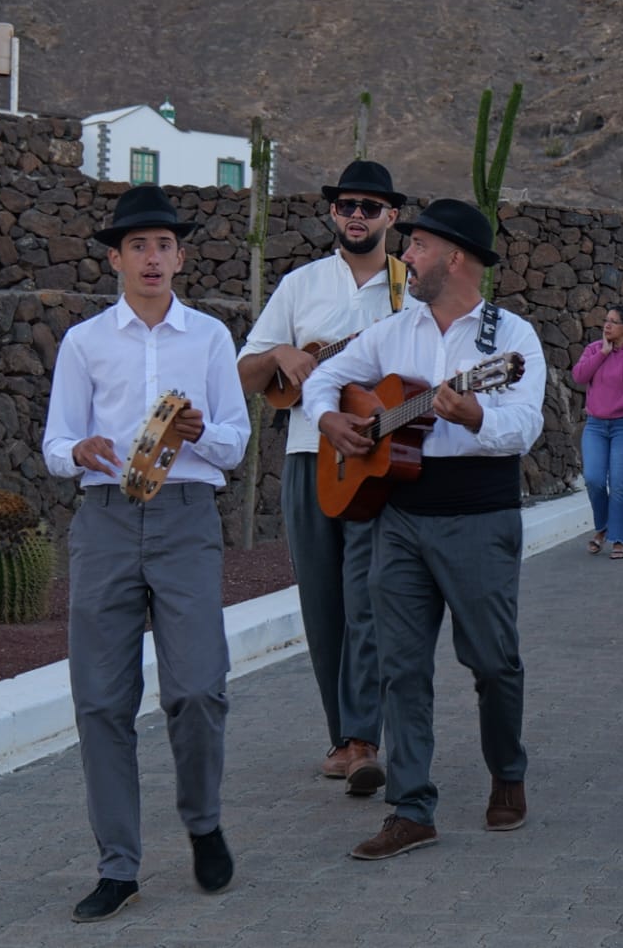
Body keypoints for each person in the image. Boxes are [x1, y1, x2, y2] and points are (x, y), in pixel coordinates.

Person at [303, 198, 549, 861]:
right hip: (401, 517)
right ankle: (410, 809)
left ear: (455, 258)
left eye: (415, 247)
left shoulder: (511, 339)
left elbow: (526, 426)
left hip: (479, 516)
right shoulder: (394, 330)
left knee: (494, 662)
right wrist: (330, 420)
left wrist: (473, 416)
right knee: (400, 667)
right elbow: (324, 379)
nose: (404, 256)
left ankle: (509, 773)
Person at [41, 185, 251, 922]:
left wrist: (197, 432)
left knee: (198, 688)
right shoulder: (86, 341)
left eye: (163, 245)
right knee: (101, 700)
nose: (152, 258)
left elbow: (236, 438)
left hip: (188, 518)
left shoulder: (211, 339)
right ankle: (118, 866)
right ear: (115, 258)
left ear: (180, 256)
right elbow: (55, 444)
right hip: (103, 521)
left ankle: (201, 819)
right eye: (138, 246)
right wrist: (82, 450)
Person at [236, 159, 408, 796]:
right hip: (309, 457)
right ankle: (344, 737)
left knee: (370, 598)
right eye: (346, 206)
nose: (357, 216)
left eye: (370, 206)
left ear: (392, 215)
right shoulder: (300, 284)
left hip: (378, 459)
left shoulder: (408, 289)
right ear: (333, 214)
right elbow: (246, 375)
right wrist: (280, 353)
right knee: (323, 604)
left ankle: (365, 738)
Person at [572, 304, 623, 560]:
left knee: (619, 483)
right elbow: (579, 376)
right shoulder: (594, 348)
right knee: (592, 479)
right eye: (606, 320)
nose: (607, 325)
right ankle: (602, 527)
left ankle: (618, 539)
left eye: (614, 322)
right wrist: (603, 353)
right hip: (595, 425)